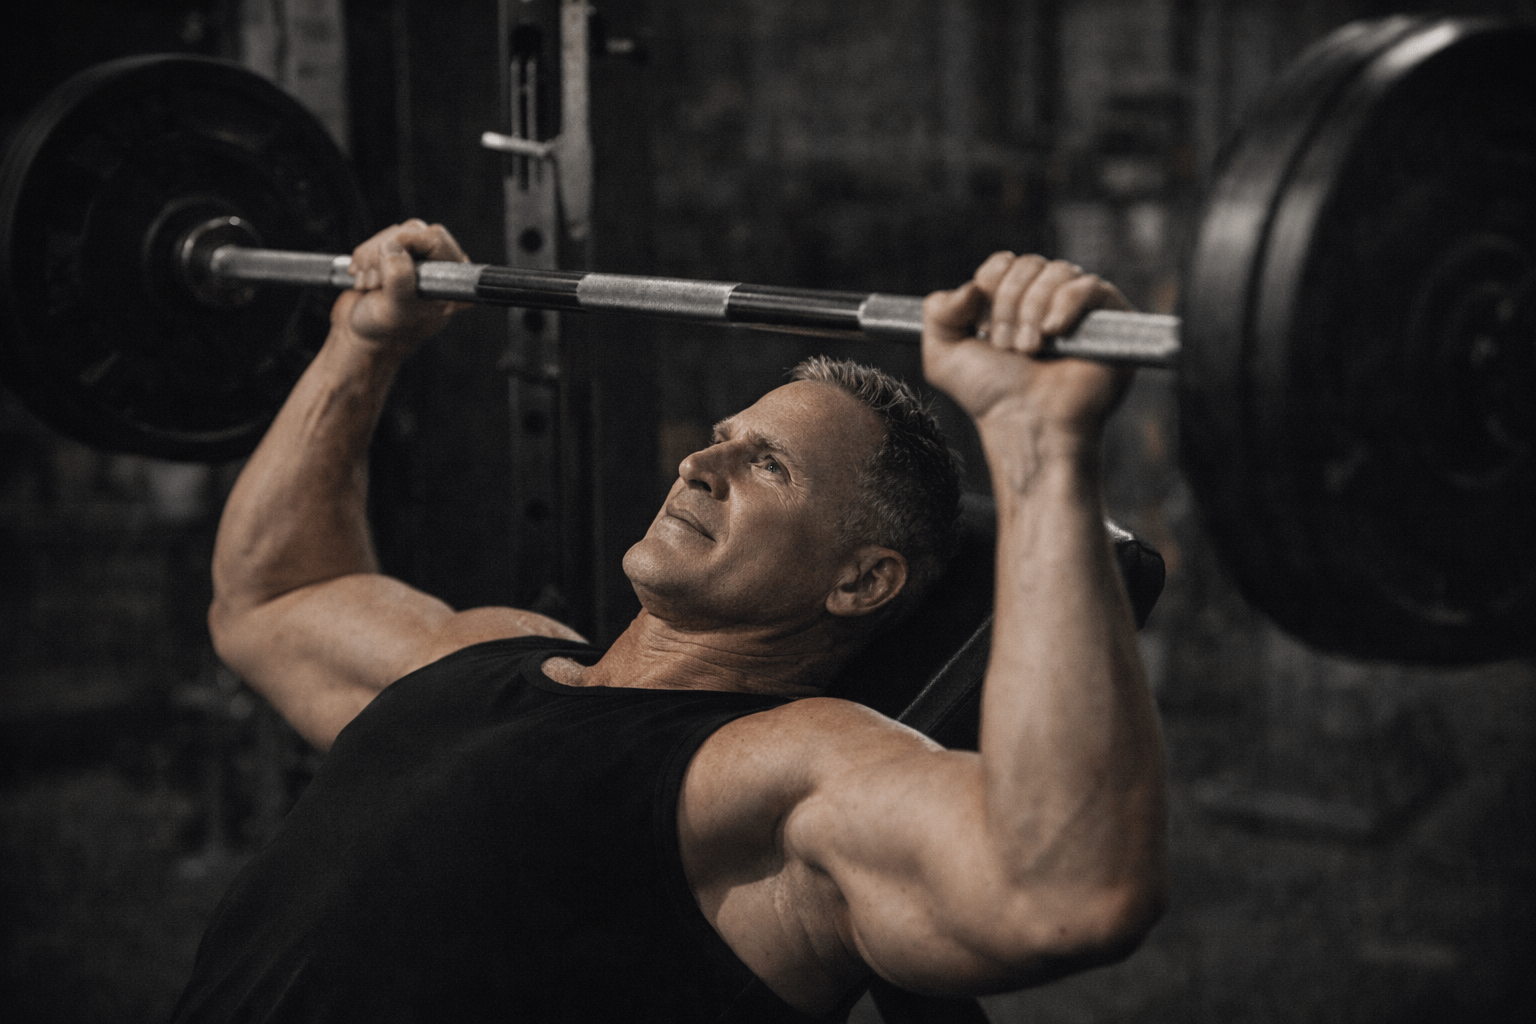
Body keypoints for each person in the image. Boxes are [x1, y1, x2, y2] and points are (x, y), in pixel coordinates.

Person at [171, 221, 1167, 1022]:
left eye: (767, 465)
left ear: (862, 581)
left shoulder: (777, 774)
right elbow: (272, 597)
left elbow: (1066, 890)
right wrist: (364, 341)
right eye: (725, 439)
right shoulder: (486, 654)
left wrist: (1040, 446)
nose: (700, 464)